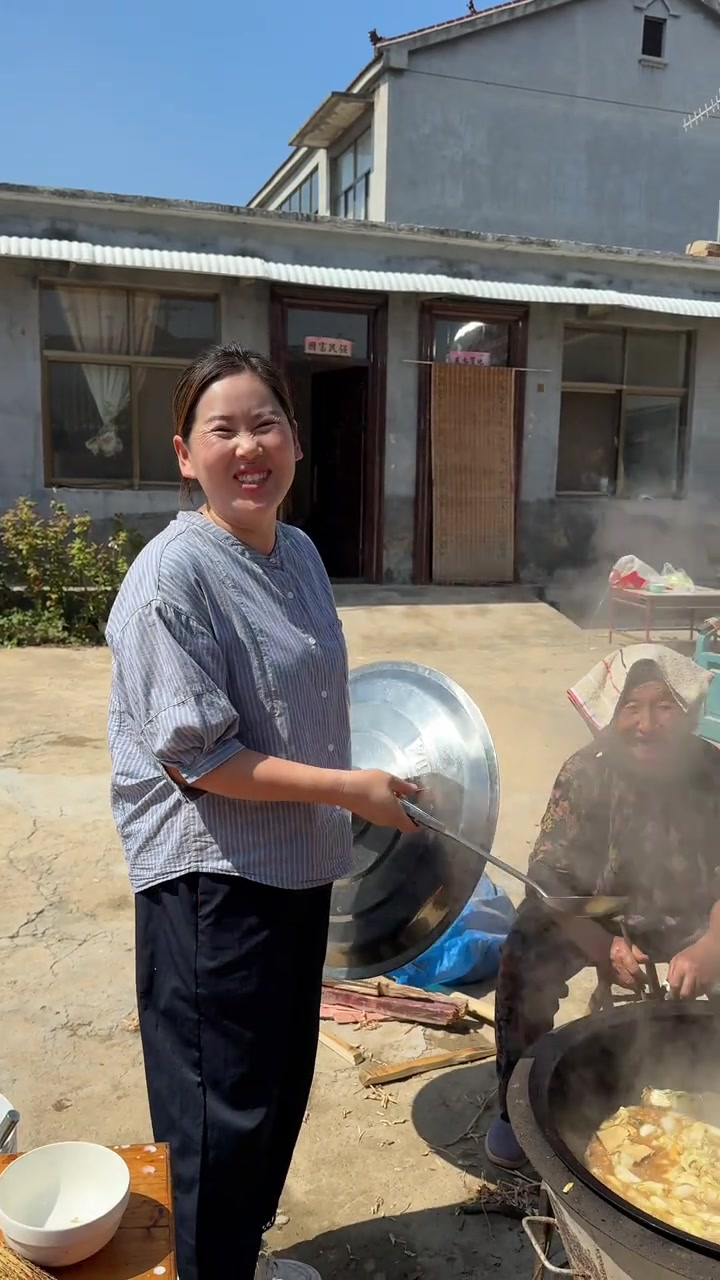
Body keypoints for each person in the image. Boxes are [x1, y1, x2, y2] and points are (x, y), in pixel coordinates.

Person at [105, 343, 418, 1280]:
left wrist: (368, 784)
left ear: (295, 441)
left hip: (294, 861)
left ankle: (236, 1259)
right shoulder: (173, 579)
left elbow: (304, 704)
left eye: (266, 423)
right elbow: (200, 757)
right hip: (212, 880)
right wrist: (346, 790)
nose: (250, 446)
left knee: (277, 1089)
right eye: (223, 429)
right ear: (184, 454)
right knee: (216, 1113)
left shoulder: (302, 553)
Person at [485, 644, 720, 1170]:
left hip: (687, 911)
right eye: (631, 707)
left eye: (664, 707)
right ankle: (515, 1102)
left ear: (688, 710)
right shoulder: (585, 772)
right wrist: (604, 944)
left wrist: (711, 945)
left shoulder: (711, 768)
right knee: (524, 953)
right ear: (608, 712)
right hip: (592, 910)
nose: (647, 724)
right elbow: (547, 882)